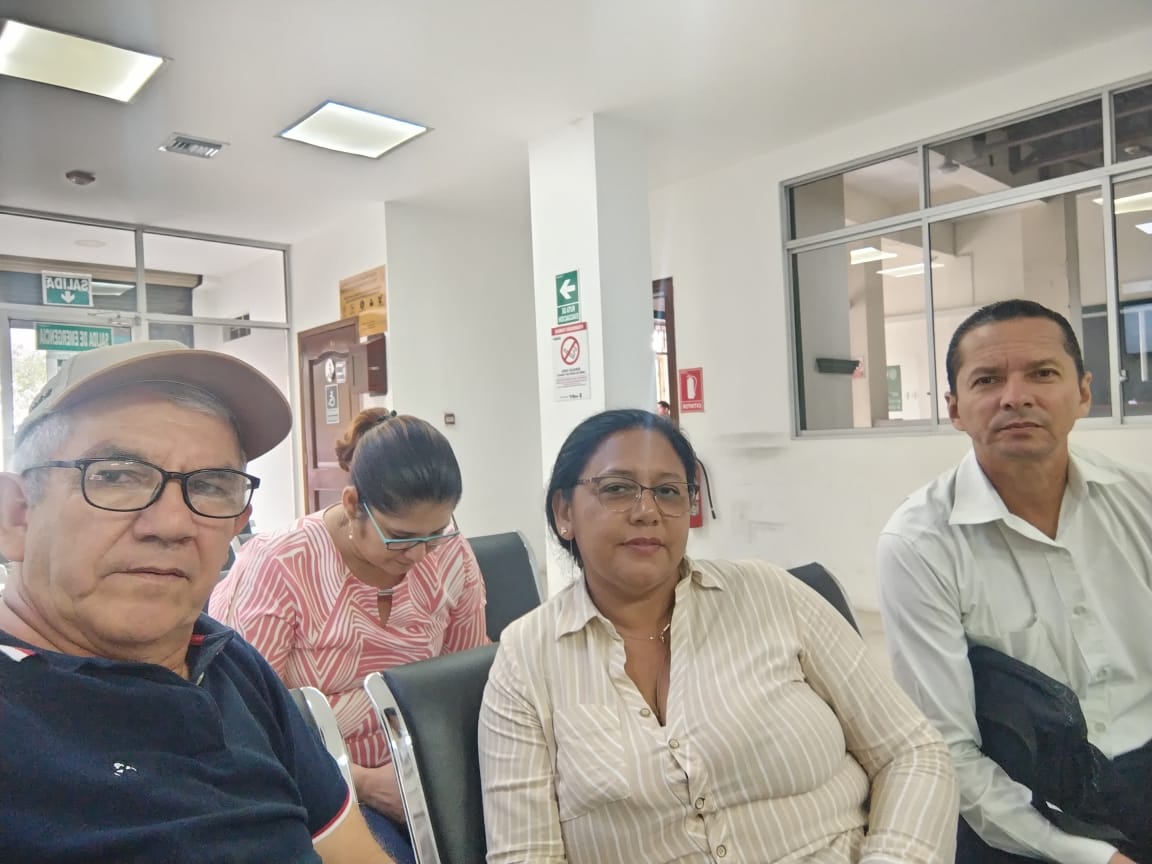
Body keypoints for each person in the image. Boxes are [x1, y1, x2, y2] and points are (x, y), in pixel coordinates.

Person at [478, 408, 958, 864]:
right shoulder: (527, 660)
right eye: (618, 488)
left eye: (669, 492)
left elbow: (910, 750)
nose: (647, 511)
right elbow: (526, 853)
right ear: (564, 511)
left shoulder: (770, 594)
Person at [0, 340, 390, 864]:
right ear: (17, 516)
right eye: (115, 476)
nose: (172, 524)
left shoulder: (227, 662)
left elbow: (351, 853)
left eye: (210, 486)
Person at [876, 299, 1152, 864]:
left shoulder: (1140, 501)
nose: (1015, 396)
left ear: (1083, 393)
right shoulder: (919, 543)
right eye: (988, 380)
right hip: (1025, 802)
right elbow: (947, 750)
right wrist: (1086, 855)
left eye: (1043, 373)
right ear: (955, 408)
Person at [211, 408, 488, 864]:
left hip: (432, 772)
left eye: (436, 533)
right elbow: (247, 719)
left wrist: (437, 774)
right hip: (319, 784)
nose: (420, 554)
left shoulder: (450, 557)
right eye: (400, 537)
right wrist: (362, 782)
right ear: (353, 503)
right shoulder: (281, 565)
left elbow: (464, 683)